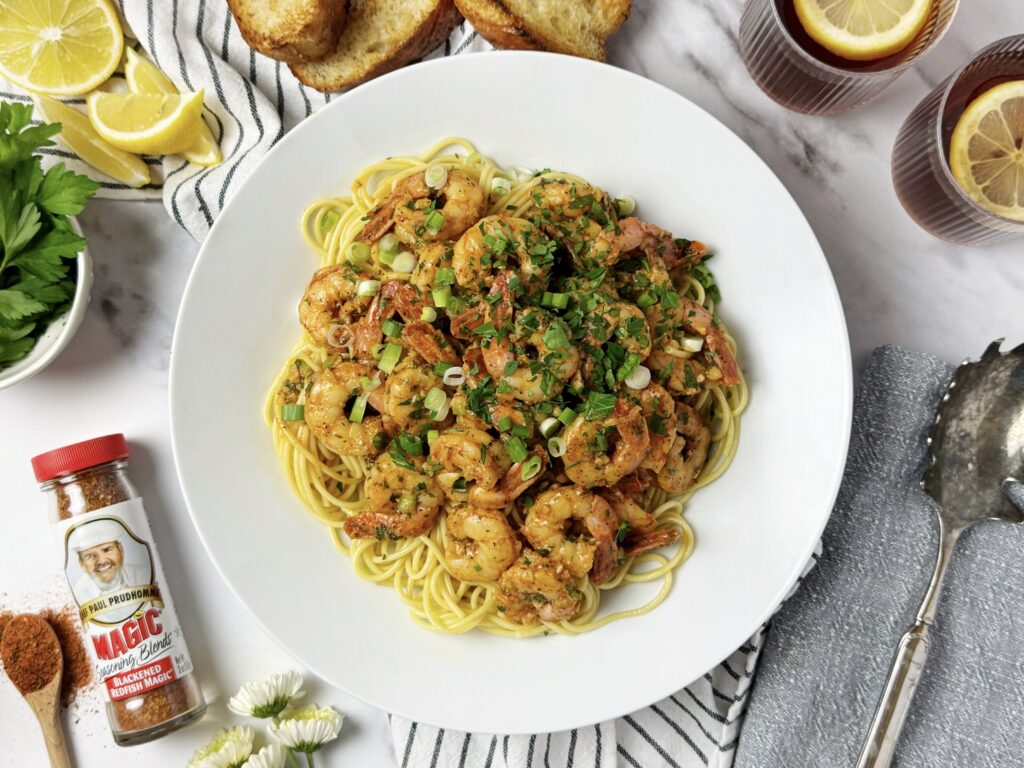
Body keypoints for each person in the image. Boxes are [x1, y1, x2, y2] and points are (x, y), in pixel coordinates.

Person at [68, 520, 149, 605]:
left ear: (121, 550)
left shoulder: (143, 575)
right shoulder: (79, 594)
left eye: (107, 550)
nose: (102, 561)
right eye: (90, 556)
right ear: (82, 563)